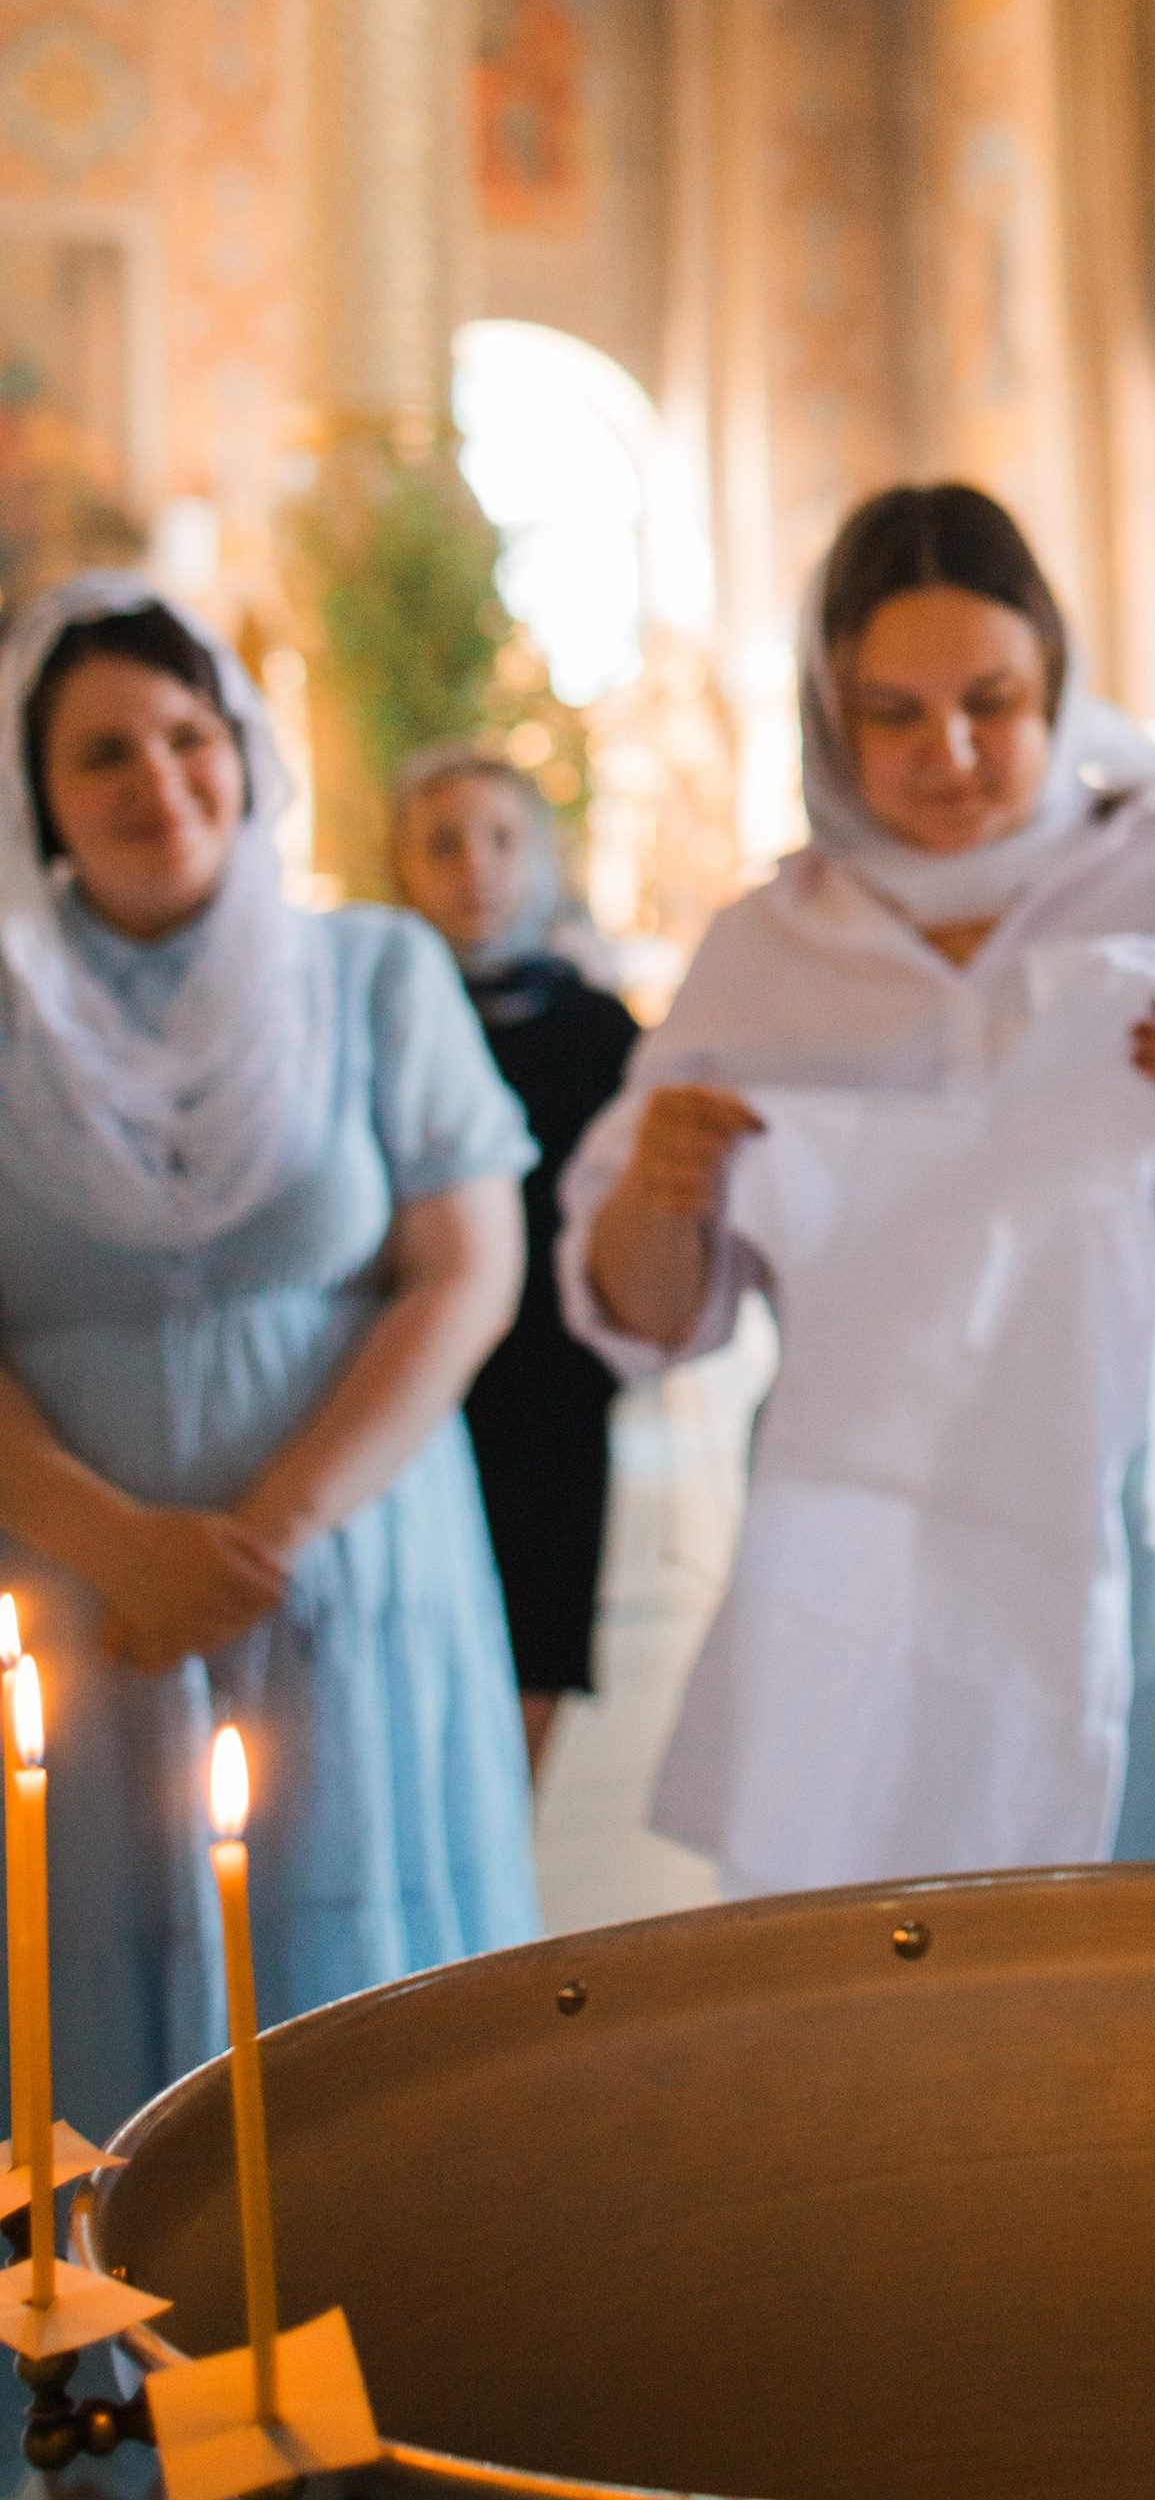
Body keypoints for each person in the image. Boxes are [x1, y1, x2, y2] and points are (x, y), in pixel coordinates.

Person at [557, 482, 1155, 1894]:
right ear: (829, 716)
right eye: (895, 714)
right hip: (875, 1498)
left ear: (1060, 687)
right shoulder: (763, 953)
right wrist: (657, 1192)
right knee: (901, 1904)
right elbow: (651, 1317)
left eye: (994, 701)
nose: (952, 752)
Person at [0, 577, 539, 2144]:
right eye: (104, 752)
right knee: (84, 1992)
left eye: (191, 734)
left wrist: (266, 1537)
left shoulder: (372, 972)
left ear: (244, 748)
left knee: (362, 2035)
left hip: (344, 1576)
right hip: (76, 1599)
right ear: (37, 792)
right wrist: (121, 1546)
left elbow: (466, 1269)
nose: (159, 780)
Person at [390, 744, 639, 1779]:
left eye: (500, 839)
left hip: (557, 1390)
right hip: (420, 1389)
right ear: (403, 867)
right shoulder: (387, 1018)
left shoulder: (598, 1027)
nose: (474, 867)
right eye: (442, 844)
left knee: (538, 1647)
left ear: (542, 856)